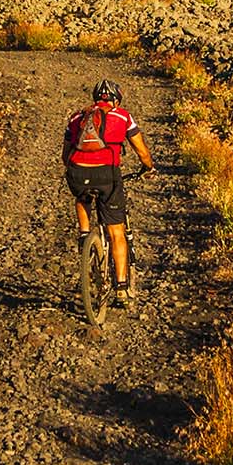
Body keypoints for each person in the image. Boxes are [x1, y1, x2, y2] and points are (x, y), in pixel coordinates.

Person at [63, 78, 156, 300]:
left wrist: (76, 168)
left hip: (77, 171)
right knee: (117, 232)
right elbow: (141, 151)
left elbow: (65, 156)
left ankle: (85, 235)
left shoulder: (77, 117)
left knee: (81, 195)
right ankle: (122, 288)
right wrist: (148, 167)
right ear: (116, 100)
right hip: (107, 174)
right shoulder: (123, 116)